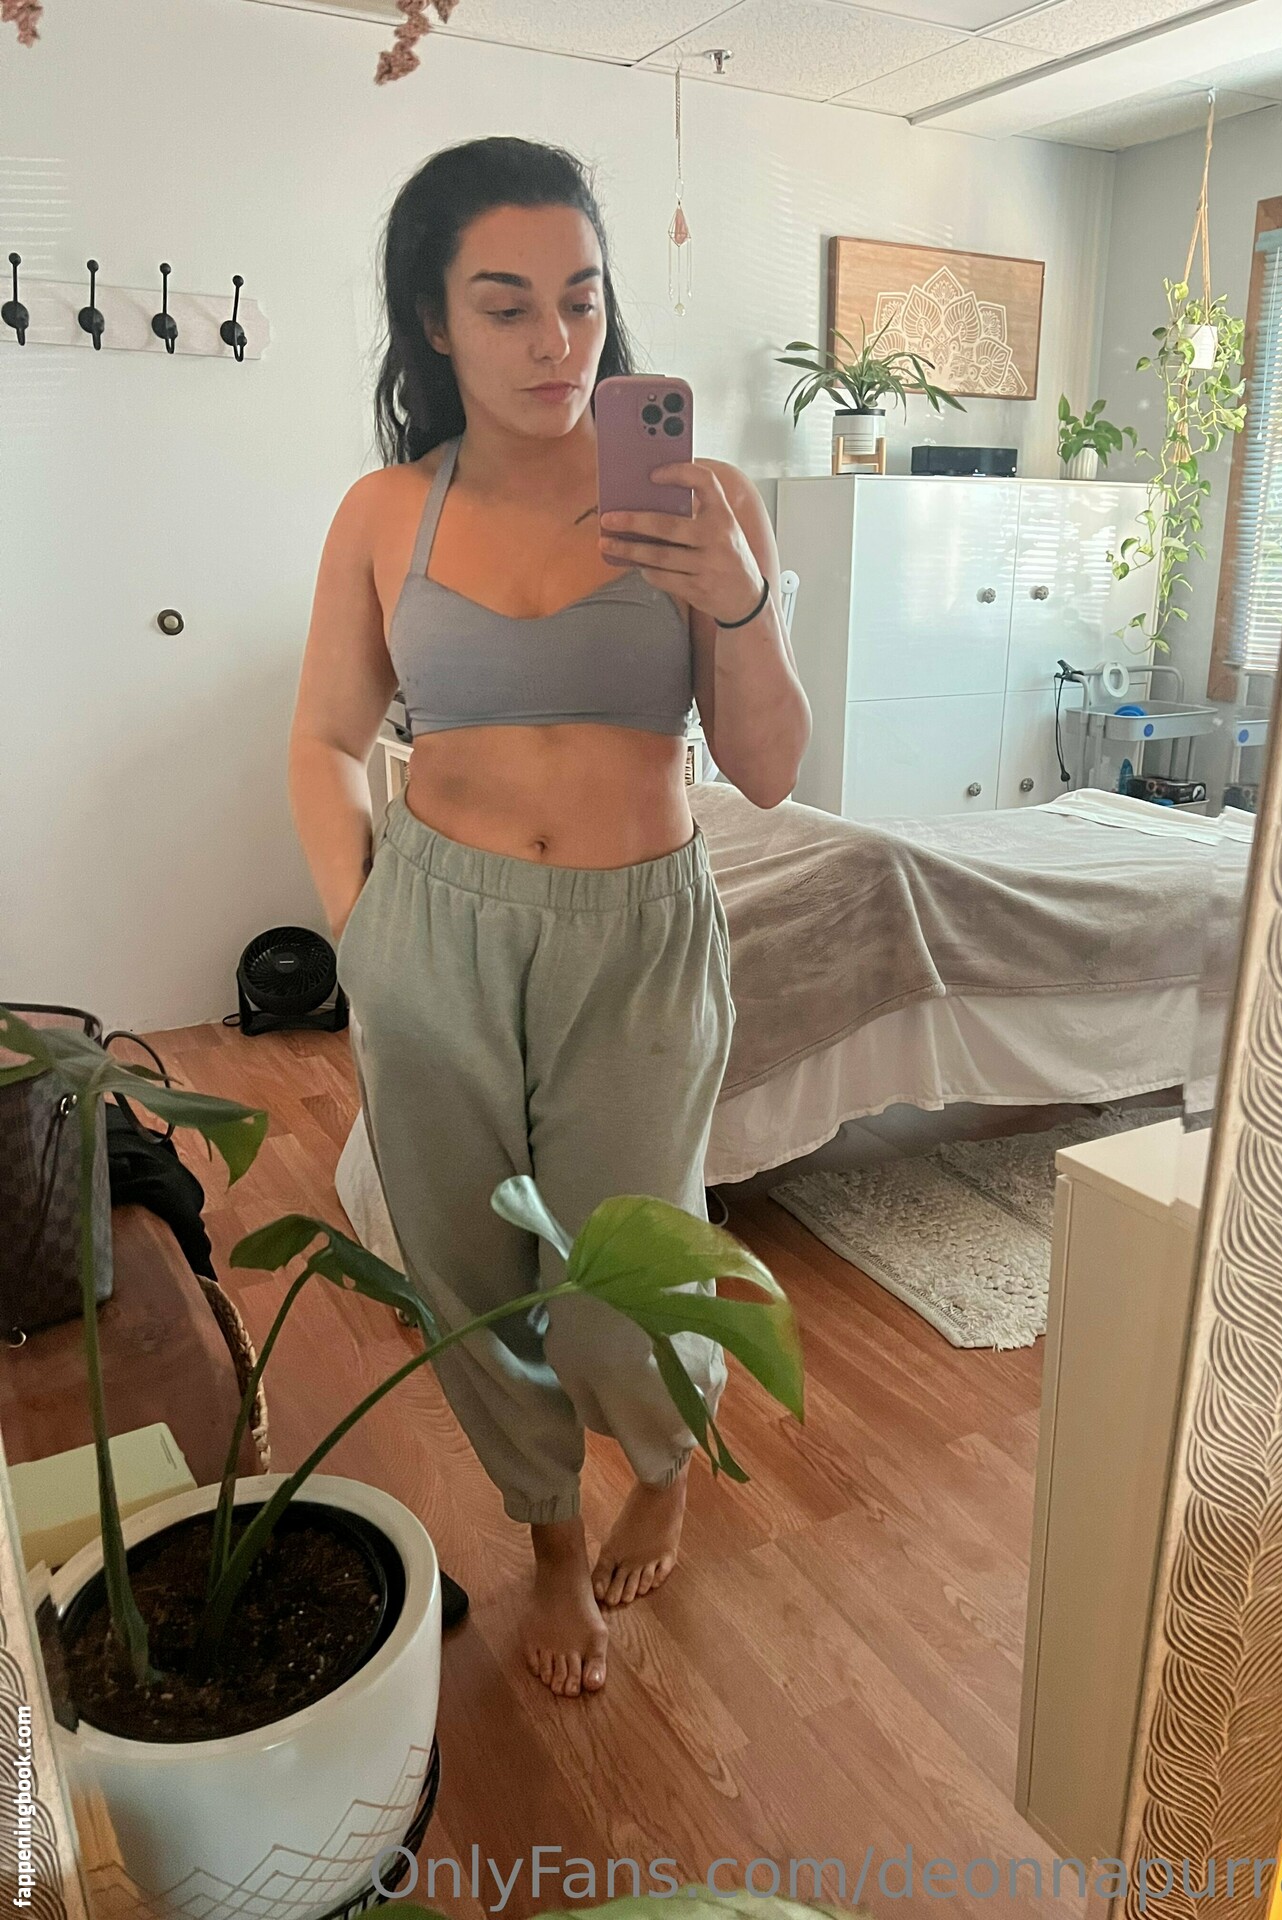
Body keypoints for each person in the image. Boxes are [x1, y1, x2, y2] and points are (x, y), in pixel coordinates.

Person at [288, 137, 810, 1700]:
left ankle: (660, 1454)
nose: (555, 341)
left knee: (622, 1273)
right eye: (506, 305)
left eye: (580, 299)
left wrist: (736, 593)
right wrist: (361, 926)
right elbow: (325, 739)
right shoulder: (386, 511)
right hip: (433, 928)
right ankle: (552, 1540)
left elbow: (771, 771)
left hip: (636, 936)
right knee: (467, 1270)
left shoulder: (700, 498)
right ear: (433, 320)